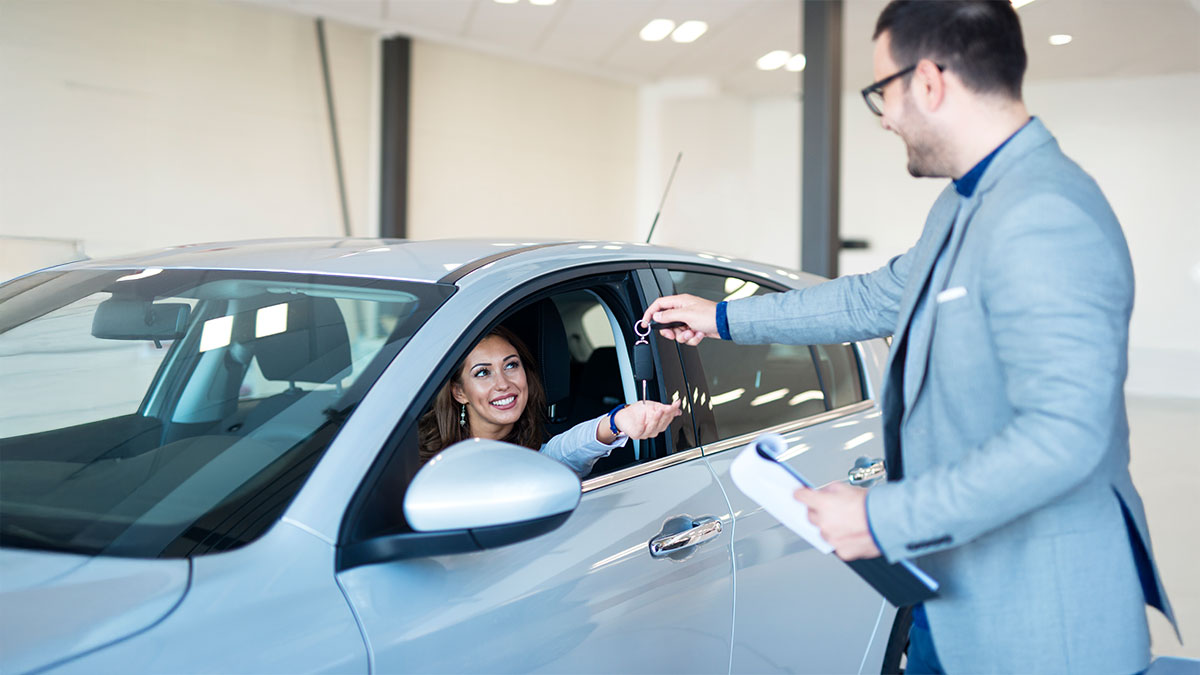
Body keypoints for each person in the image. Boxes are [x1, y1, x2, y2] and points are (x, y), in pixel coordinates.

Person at [642, 2, 1177, 673]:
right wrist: (721, 319)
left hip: (1038, 621)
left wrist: (881, 516)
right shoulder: (965, 201)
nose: (885, 117)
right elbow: (877, 295)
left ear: (928, 81)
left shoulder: (1045, 213)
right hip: (950, 598)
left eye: (881, 93)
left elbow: (1065, 436)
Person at [419, 326, 681, 477]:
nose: (503, 384)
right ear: (459, 392)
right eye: (483, 372)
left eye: (511, 365)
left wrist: (617, 421)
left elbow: (562, 452)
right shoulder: (417, 457)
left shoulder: (530, 456)